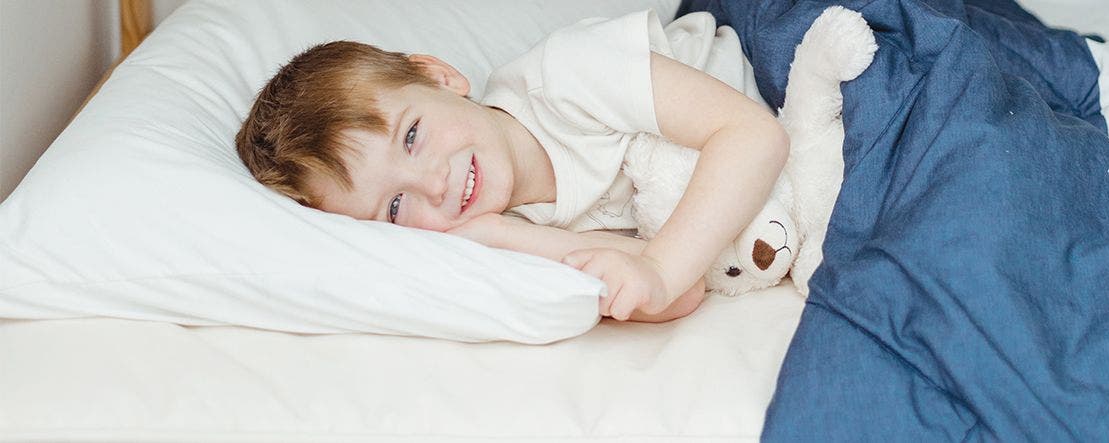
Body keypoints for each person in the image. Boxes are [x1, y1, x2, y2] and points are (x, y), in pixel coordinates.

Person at [235, 10, 788, 323]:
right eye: (395, 206)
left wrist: (663, 271)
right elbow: (669, 292)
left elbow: (752, 135)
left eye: (412, 135)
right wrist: (501, 236)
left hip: (779, 81)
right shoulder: (506, 234)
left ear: (438, 77)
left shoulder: (568, 76)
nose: (433, 183)